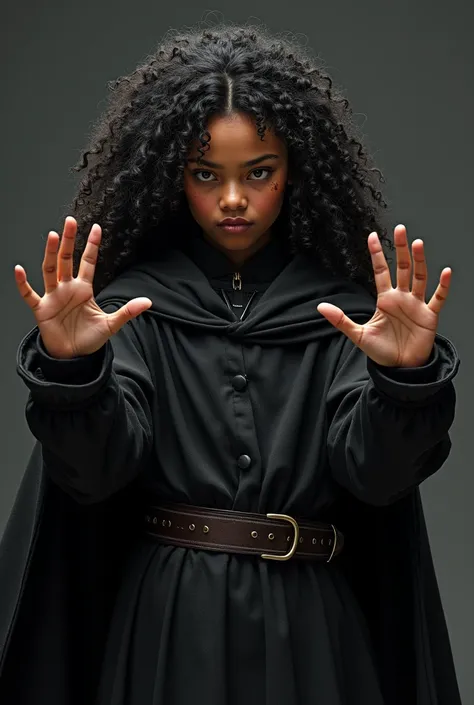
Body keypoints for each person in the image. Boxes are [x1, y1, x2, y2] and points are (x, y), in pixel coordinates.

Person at [0, 20, 462, 705]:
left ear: (295, 170)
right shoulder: (131, 312)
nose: (234, 199)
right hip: (167, 630)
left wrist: (402, 381)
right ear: (173, 177)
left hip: (312, 631)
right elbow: (95, 474)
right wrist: (74, 371)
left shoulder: (344, 317)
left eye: (259, 172)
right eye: (205, 174)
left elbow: (376, 476)